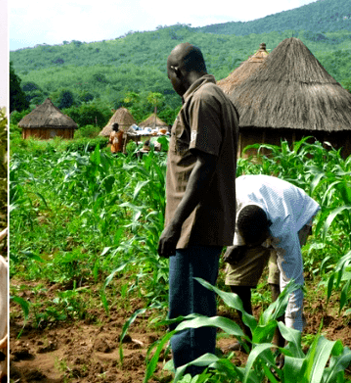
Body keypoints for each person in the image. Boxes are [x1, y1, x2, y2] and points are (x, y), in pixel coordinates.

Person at [158, 43, 240, 375]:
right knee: (199, 311)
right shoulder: (217, 97)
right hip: (199, 226)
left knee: (189, 317)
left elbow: (204, 166)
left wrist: (174, 224)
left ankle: (191, 377)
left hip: (193, 227)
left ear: (176, 71)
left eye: (169, 76)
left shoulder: (204, 101)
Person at [223, 175, 319, 352]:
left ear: (267, 229)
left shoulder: (284, 229)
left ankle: (280, 343)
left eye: (261, 241)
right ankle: (247, 340)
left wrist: (293, 341)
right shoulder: (232, 198)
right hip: (254, 207)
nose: (259, 246)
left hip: (297, 213)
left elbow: (293, 286)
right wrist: (237, 242)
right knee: (237, 276)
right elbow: (232, 221)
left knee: (278, 283)